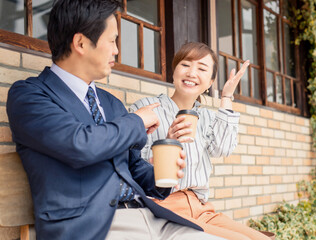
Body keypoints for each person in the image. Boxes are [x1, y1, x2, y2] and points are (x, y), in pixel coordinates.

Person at [6, 1, 225, 239]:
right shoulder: (30, 95)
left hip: (152, 216)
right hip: (92, 227)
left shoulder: (111, 104)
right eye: (112, 41)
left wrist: (162, 174)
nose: (117, 50)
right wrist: (136, 122)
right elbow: (78, 145)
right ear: (80, 43)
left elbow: (133, 168)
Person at [130, 42, 272, 240]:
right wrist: (168, 143)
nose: (191, 73)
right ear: (174, 71)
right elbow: (131, 163)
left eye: (201, 68)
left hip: (200, 206)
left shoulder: (206, 117)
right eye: (185, 65)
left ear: (210, 81)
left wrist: (227, 96)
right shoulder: (147, 107)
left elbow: (223, 148)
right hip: (162, 205)